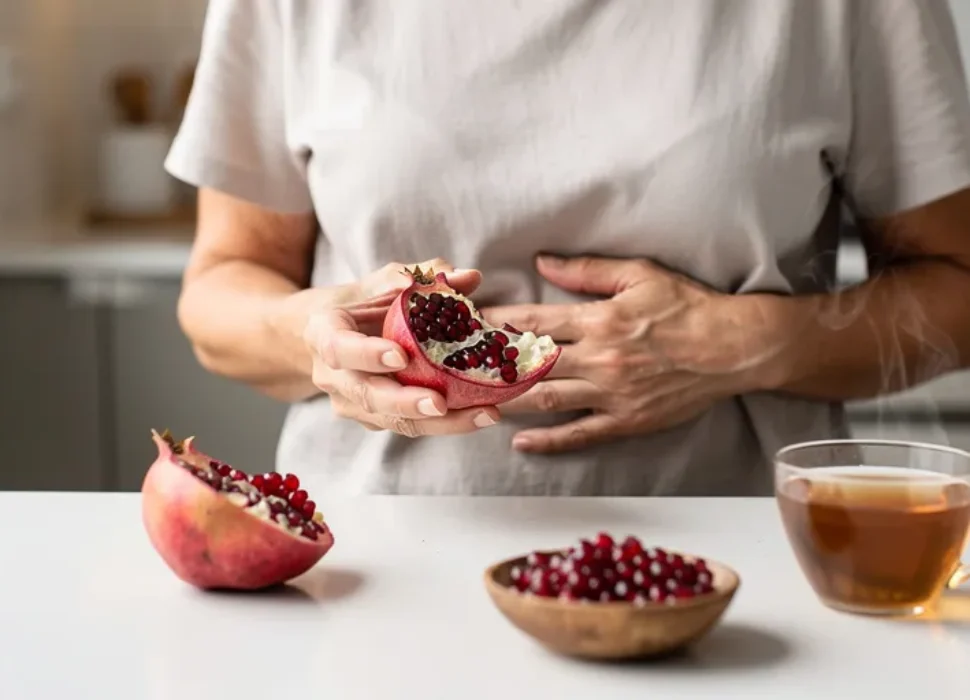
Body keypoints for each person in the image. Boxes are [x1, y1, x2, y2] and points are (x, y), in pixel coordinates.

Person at [167, 0, 970, 497]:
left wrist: (745, 344)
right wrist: (315, 338)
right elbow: (221, 291)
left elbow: (957, 291)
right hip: (381, 567)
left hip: (746, 565)